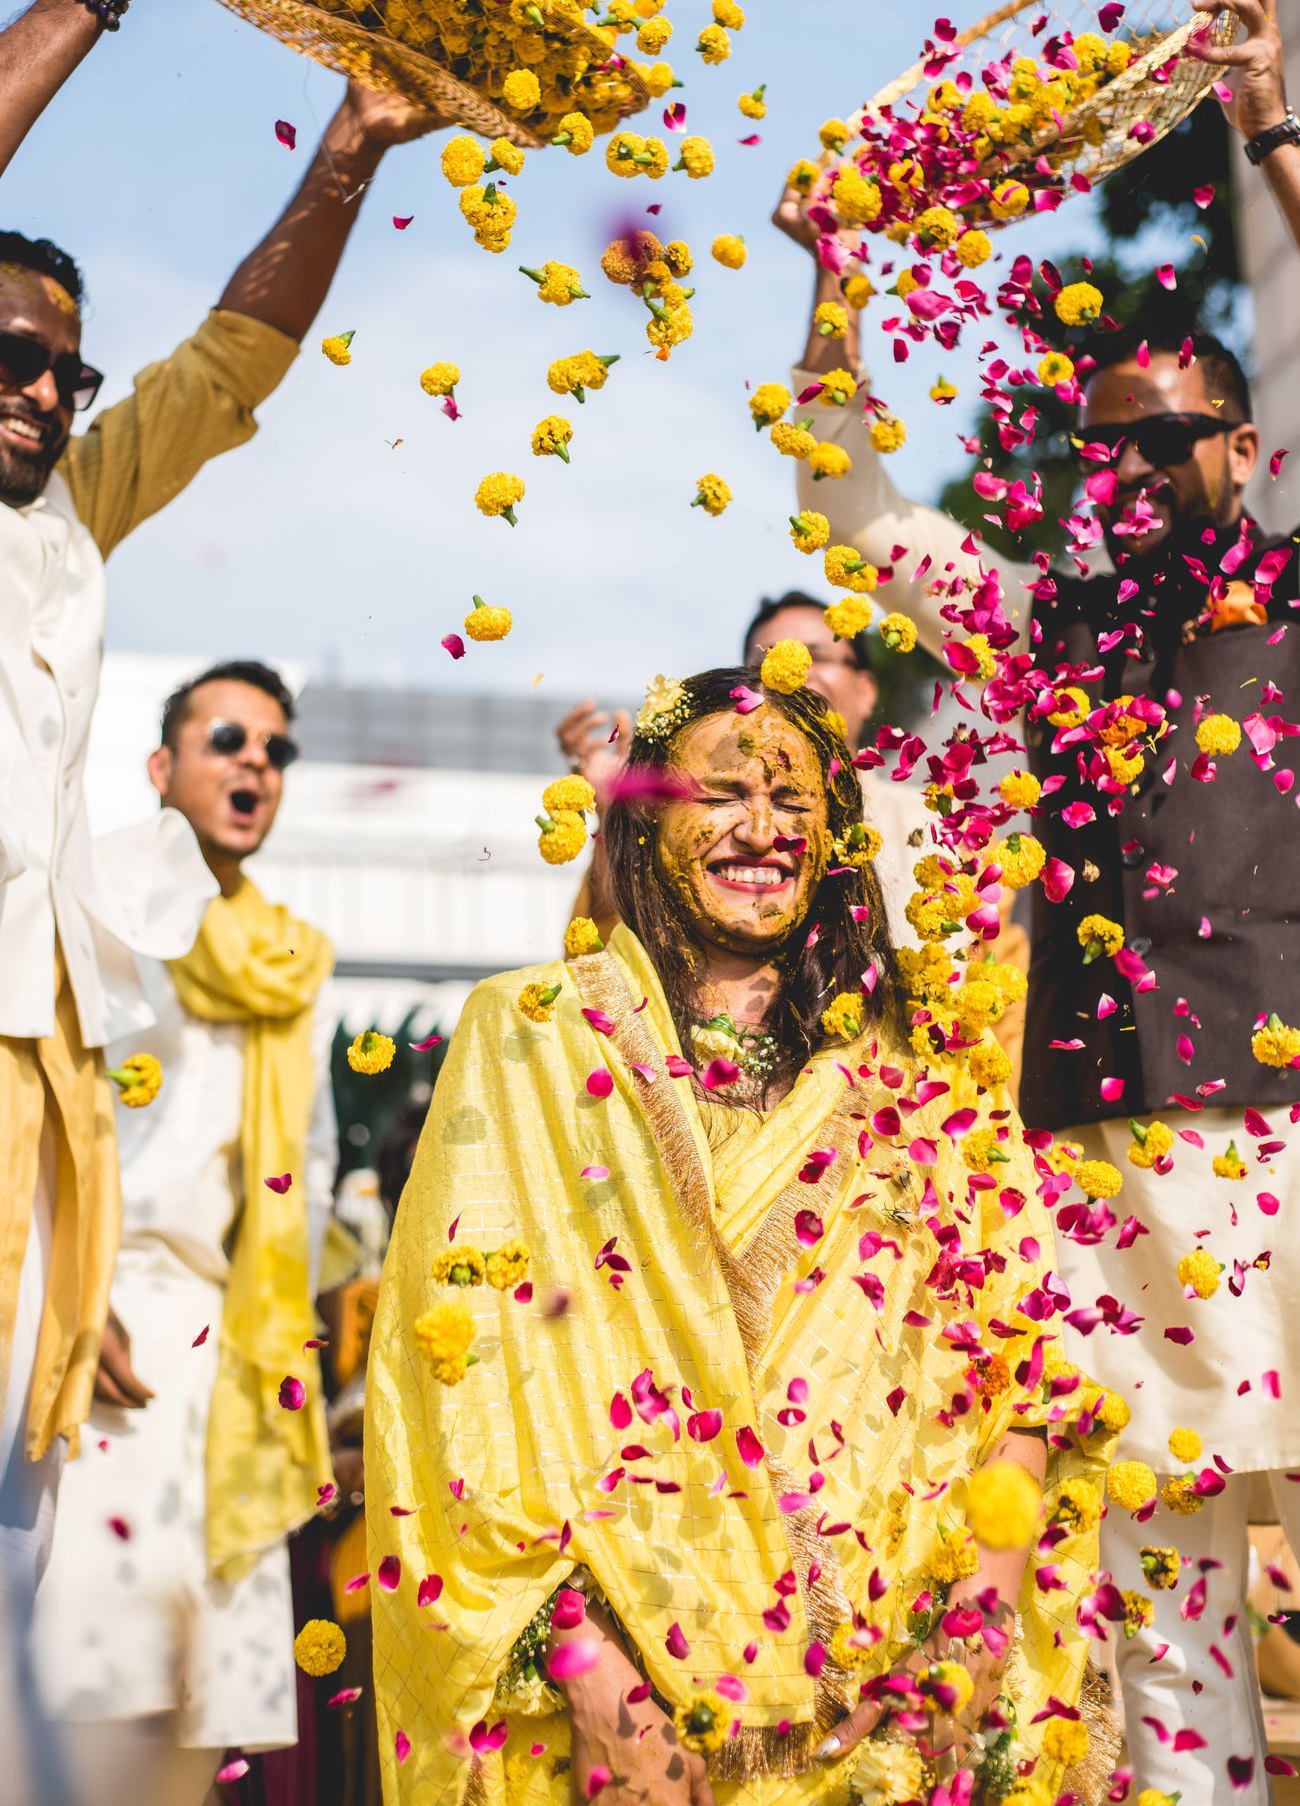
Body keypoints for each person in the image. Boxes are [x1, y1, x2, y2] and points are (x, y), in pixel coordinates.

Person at [774, 0, 1300, 1806]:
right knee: (1166, 1543)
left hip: (1287, 1117)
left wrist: (1272, 127)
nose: (1148, 461)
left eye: (1183, 431)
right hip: (1103, 1122)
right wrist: (832, 283)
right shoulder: (1033, 621)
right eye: (1116, 439)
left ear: (1247, 446)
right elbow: (845, 494)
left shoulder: (1291, 587)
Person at [367, 667, 1118, 1805]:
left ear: (838, 841)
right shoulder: (531, 1038)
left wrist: (971, 1621)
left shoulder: (915, 1068)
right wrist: (584, 1670)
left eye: (796, 803)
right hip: (631, 1716)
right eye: (721, 792)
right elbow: (457, 1399)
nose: (762, 829)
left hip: (895, 1703)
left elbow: (1024, 1367)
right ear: (643, 816)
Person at [0, 0, 443, 1601]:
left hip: (39, 1083)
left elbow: (229, 364)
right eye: (11, 357)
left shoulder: (70, 519)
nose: (44, 391)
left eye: (64, 373)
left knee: (26, 1560)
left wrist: (351, 152)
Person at [33, 661, 339, 1806]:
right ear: (162, 766)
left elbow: (302, 1173)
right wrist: (68, 1287)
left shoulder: (289, 957)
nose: (255, 760)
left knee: (206, 1716)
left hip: (235, 1352)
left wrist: (290, 1351)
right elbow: (43, 1105)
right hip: (95, 1327)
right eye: (226, 737)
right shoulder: (97, 895)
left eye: (276, 748)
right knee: (88, 1683)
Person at [557, 593, 1029, 1089]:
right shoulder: (691, 824)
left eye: (815, 655)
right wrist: (621, 822)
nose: (790, 671)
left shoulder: (946, 838)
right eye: (767, 661)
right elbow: (606, 970)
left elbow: (996, 1026)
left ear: (866, 689)